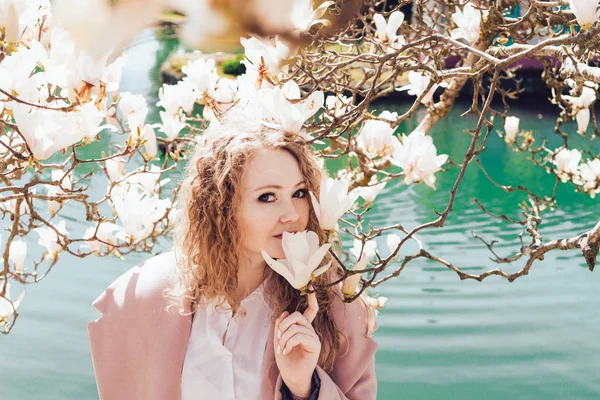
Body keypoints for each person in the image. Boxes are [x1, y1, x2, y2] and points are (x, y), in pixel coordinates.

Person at [87, 113, 379, 400]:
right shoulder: (143, 295)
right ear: (221, 207)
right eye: (267, 197)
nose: (291, 214)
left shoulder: (338, 307)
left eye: (300, 193)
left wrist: (304, 388)